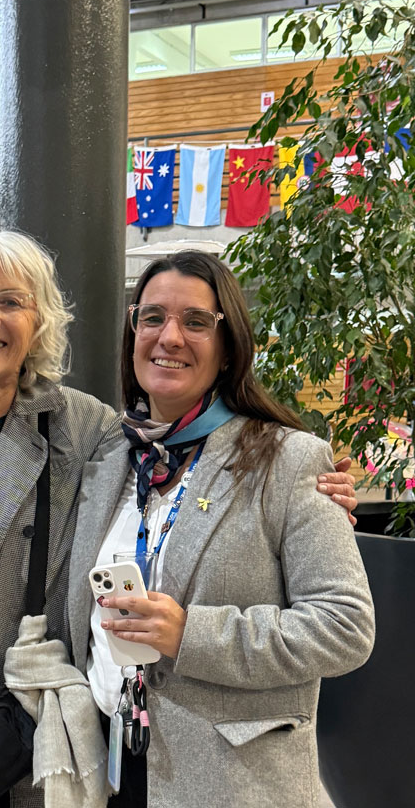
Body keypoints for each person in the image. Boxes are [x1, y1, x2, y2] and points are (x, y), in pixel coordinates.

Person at [0, 229, 359, 808]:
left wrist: (316, 495)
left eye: (10, 301)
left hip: (48, 760)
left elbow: (197, 451)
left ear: (38, 324)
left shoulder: (87, 432)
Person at [65, 250, 375, 807]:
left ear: (228, 346)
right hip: (117, 767)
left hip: (232, 783)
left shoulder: (289, 460)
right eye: (152, 317)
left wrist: (192, 634)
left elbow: (344, 627)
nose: (169, 337)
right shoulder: (111, 459)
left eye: (196, 321)